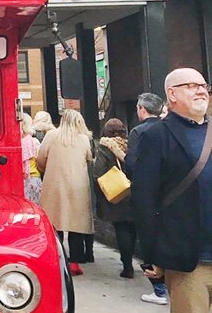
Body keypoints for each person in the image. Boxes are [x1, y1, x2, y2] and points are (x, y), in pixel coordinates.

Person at [132, 67, 212, 313]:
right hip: (189, 257)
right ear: (172, 96)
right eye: (191, 86)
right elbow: (144, 199)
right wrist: (151, 255)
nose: (200, 91)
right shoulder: (155, 136)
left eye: (203, 85)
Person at [37, 109, 94, 276]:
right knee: (76, 225)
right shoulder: (83, 139)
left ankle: (56, 258)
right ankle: (75, 262)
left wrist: (46, 169)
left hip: (54, 183)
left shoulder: (51, 136)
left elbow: (40, 158)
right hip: (77, 185)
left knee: (55, 224)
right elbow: (89, 158)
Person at [124, 91, 168, 304]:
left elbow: (131, 165)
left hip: (146, 197)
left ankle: (159, 289)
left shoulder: (139, 132)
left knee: (149, 240)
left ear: (142, 109)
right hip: (170, 195)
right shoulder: (170, 129)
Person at [93, 118, 136, 279]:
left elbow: (98, 173)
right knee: (134, 229)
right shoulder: (131, 144)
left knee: (122, 229)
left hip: (117, 195)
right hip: (134, 192)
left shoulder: (104, 147)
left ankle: (127, 266)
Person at [20, 114, 42, 203]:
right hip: (34, 178)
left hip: (19, 180)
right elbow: (40, 160)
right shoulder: (34, 142)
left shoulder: (15, 142)